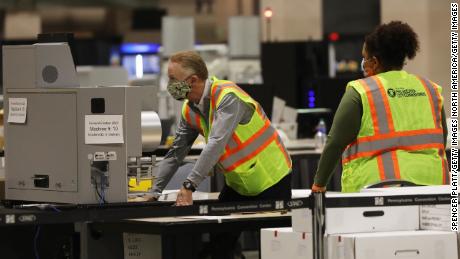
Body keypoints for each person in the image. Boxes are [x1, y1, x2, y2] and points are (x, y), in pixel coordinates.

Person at [149, 51, 292, 258]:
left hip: (272, 179)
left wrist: (189, 185)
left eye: (172, 79)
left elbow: (216, 143)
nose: (169, 85)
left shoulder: (227, 97)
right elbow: (175, 153)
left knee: (273, 247)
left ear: (193, 80)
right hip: (239, 185)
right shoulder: (190, 110)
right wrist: (154, 191)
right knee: (219, 244)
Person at [312, 21, 449, 193]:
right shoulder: (430, 89)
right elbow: (441, 139)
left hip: (378, 192)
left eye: (365, 58)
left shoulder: (361, 91)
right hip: (433, 188)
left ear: (375, 62)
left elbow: (335, 143)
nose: (363, 63)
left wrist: (319, 184)